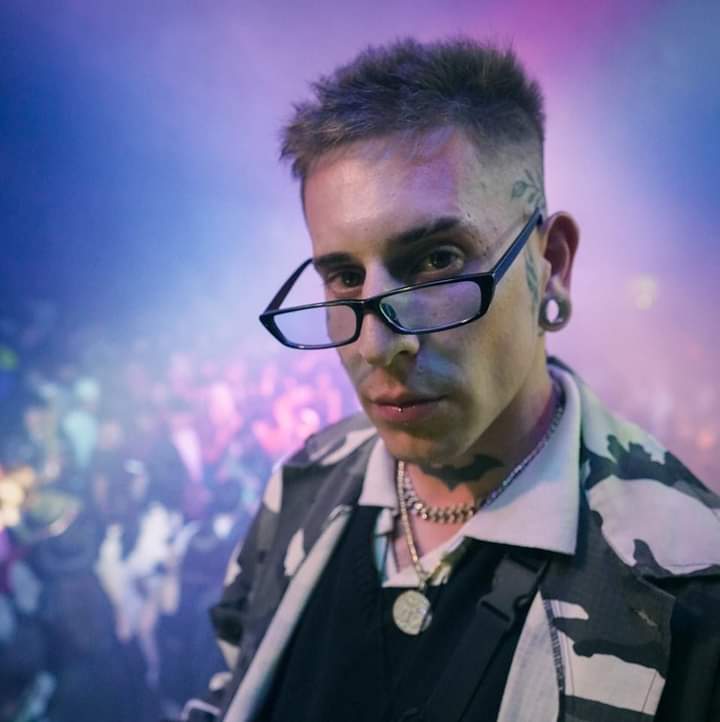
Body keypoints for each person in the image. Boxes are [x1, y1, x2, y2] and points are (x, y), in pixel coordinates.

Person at [179, 37, 720, 722]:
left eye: (437, 260)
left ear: (551, 263)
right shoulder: (304, 487)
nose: (377, 344)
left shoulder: (686, 585)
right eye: (343, 277)